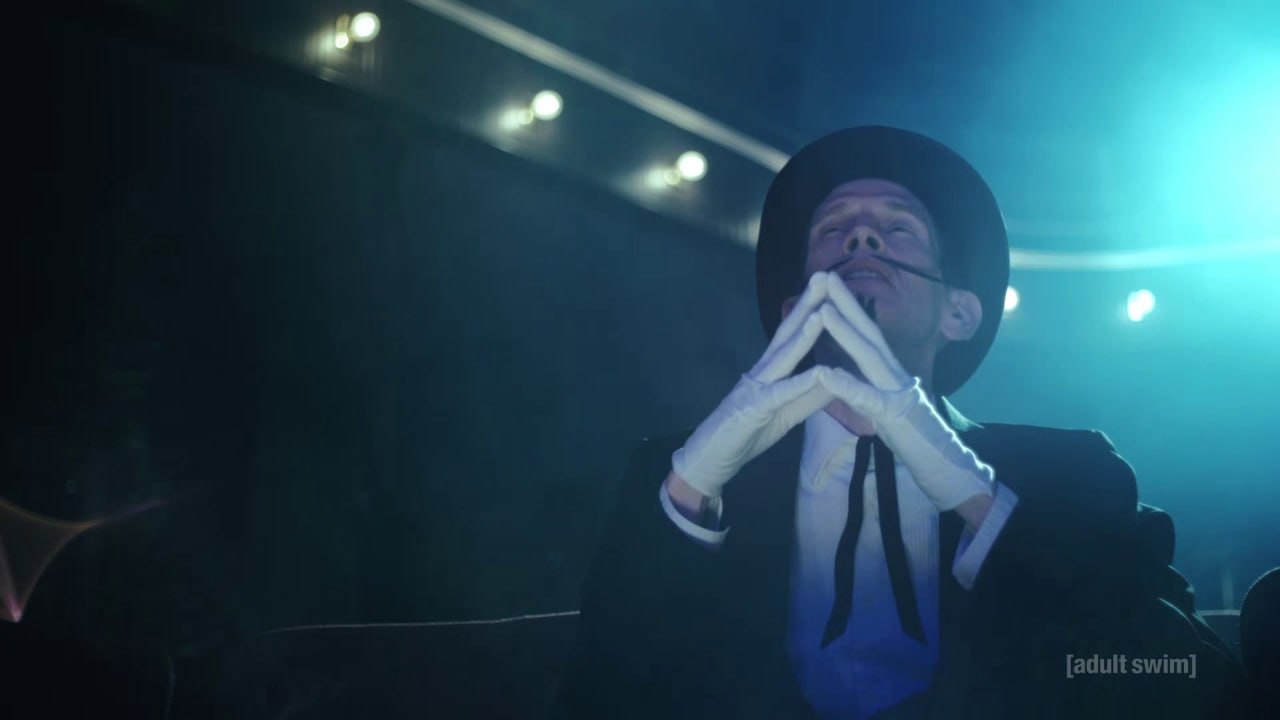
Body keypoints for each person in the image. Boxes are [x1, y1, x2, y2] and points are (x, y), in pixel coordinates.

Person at [552, 126, 1239, 719]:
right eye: (832, 231)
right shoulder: (686, 477)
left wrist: (979, 498)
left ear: (958, 314)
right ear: (793, 310)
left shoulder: (1074, 479)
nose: (861, 235)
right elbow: (597, 695)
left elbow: (1187, 683)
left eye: (899, 228)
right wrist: (690, 490)